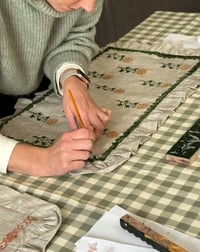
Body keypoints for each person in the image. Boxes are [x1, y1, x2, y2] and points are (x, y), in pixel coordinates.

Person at [0, 0, 111, 176]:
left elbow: (76, 36)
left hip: (34, 87)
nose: (90, 7)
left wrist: (71, 79)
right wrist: (40, 161)